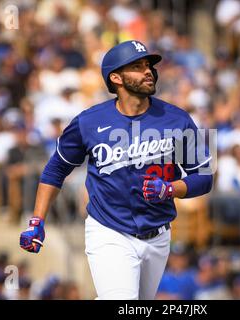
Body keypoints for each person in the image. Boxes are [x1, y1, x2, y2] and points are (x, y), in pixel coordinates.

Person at [19, 40, 214, 300]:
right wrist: (37, 220)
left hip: (158, 233)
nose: (147, 71)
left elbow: (205, 177)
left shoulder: (177, 118)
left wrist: (171, 188)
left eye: (148, 65)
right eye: (137, 66)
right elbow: (55, 171)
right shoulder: (88, 121)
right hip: (108, 230)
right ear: (116, 78)